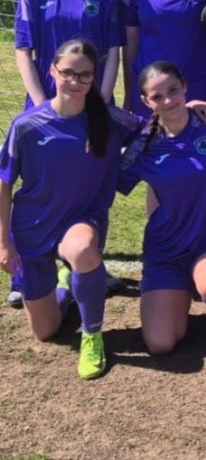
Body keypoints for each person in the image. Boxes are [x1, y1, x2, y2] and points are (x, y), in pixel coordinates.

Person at [0, 40, 139, 380]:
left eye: (85, 75)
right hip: (32, 226)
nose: (75, 81)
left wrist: (198, 106)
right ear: (52, 71)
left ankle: (93, 335)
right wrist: (3, 242)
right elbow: (4, 183)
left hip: (82, 218)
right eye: (67, 73)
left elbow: (156, 126)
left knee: (83, 249)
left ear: (94, 77)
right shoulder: (27, 125)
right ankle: (69, 288)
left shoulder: (109, 119)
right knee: (46, 331)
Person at [10, 0, 124, 306]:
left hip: (92, 105)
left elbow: (113, 51)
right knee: (37, 185)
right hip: (47, 105)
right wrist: (42, 104)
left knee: (91, 183)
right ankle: (27, 271)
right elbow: (23, 51)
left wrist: (102, 101)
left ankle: (87, 265)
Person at [118, 61, 206, 354]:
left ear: (185, 87)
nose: (167, 100)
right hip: (166, 250)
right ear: (146, 102)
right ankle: (178, 291)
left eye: (173, 90)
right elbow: (103, 178)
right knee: (161, 344)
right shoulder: (143, 144)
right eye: (157, 96)